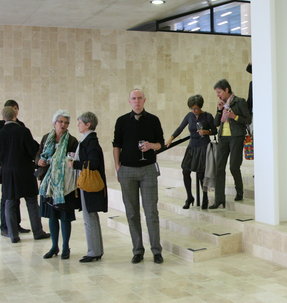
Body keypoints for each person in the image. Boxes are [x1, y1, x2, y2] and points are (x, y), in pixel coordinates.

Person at [113, 89, 165, 264]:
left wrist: (151, 145)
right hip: (127, 170)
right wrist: (117, 167)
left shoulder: (153, 120)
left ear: (145, 100)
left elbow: (161, 144)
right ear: (129, 101)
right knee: (132, 212)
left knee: (151, 211)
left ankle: (156, 250)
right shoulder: (121, 121)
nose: (137, 101)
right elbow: (116, 145)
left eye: (140, 98)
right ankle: (137, 250)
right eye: (133, 98)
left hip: (148, 169)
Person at [0, 107, 49, 243]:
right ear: (16, 115)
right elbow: (33, 149)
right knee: (32, 202)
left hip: (8, 173)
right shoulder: (23, 131)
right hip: (25, 171)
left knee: (9, 202)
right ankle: (38, 232)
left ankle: (13, 235)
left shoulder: (1, 132)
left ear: (4, 117)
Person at [37, 110, 79, 259]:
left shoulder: (72, 141)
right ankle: (54, 246)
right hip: (48, 185)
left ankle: (66, 247)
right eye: (61, 122)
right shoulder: (45, 138)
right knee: (52, 217)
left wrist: (61, 162)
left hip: (64, 186)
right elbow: (40, 155)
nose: (63, 125)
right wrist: (39, 161)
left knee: (65, 217)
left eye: (66, 123)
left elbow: (73, 161)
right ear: (54, 123)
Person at [166, 95, 216, 210]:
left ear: (200, 107)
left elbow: (214, 131)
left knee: (201, 174)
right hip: (192, 146)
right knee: (185, 171)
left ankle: (205, 197)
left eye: (196, 108)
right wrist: (171, 138)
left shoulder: (207, 116)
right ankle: (189, 197)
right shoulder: (189, 116)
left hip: (203, 146)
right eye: (192, 108)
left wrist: (206, 131)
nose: (194, 111)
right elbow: (180, 128)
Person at [71, 112, 107, 263]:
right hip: (88, 183)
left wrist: (75, 164)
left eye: (80, 123)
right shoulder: (87, 140)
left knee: (89, 217)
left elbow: (93, 163)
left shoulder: (90, 141)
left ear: (88, 125)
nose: (78, 125)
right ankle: (96, 250)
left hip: (90, 184)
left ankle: (94, 252)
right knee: (90, 217)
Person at [210, 79, 251, 209]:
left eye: (219, 92)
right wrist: (218, 110)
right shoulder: (222, 104)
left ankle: (239, 191)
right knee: (219, 168)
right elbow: (216, 123)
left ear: (227, 90)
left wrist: (235, 116)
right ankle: (219, 199)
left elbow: (248, 119)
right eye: (217, 93)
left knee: (234, 166)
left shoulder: (240, 101)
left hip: (236, 137)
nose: (218, 95)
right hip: (223, 138)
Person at [0, 99, 30, 237]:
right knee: (6, 198)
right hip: (5, 168)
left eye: (14, 108)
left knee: (16, 197)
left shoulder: (21, 126)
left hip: (19, 169)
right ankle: (5, 226)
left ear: (17, 109)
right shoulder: (2, 126)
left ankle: (15, 224)